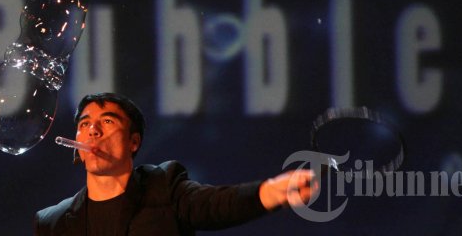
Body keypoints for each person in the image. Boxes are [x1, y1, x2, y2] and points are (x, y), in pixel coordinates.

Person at [34, 92, 319, 235]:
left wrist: (272, 191)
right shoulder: (52, 222)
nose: (93, 131)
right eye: (84, 124)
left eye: (107, 121)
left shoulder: (164, 187)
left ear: (134, 142)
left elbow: (215, 204)